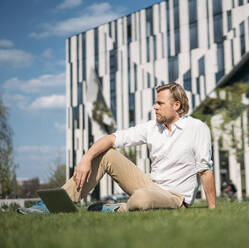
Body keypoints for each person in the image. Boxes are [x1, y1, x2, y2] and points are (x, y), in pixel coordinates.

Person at [18, 82, 216, 214]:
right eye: (155, 103)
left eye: (159, 103)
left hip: (175, 198)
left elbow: (205, 170)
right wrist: (86, 159)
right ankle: (55, 204)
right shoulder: (151, 128)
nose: (154, 107)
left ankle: (116, 208)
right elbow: (112, 138)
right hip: (150, 184)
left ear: (177, 105)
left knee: (141, 199)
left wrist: (212, 210)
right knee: (106, 154)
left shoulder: (197, 128)